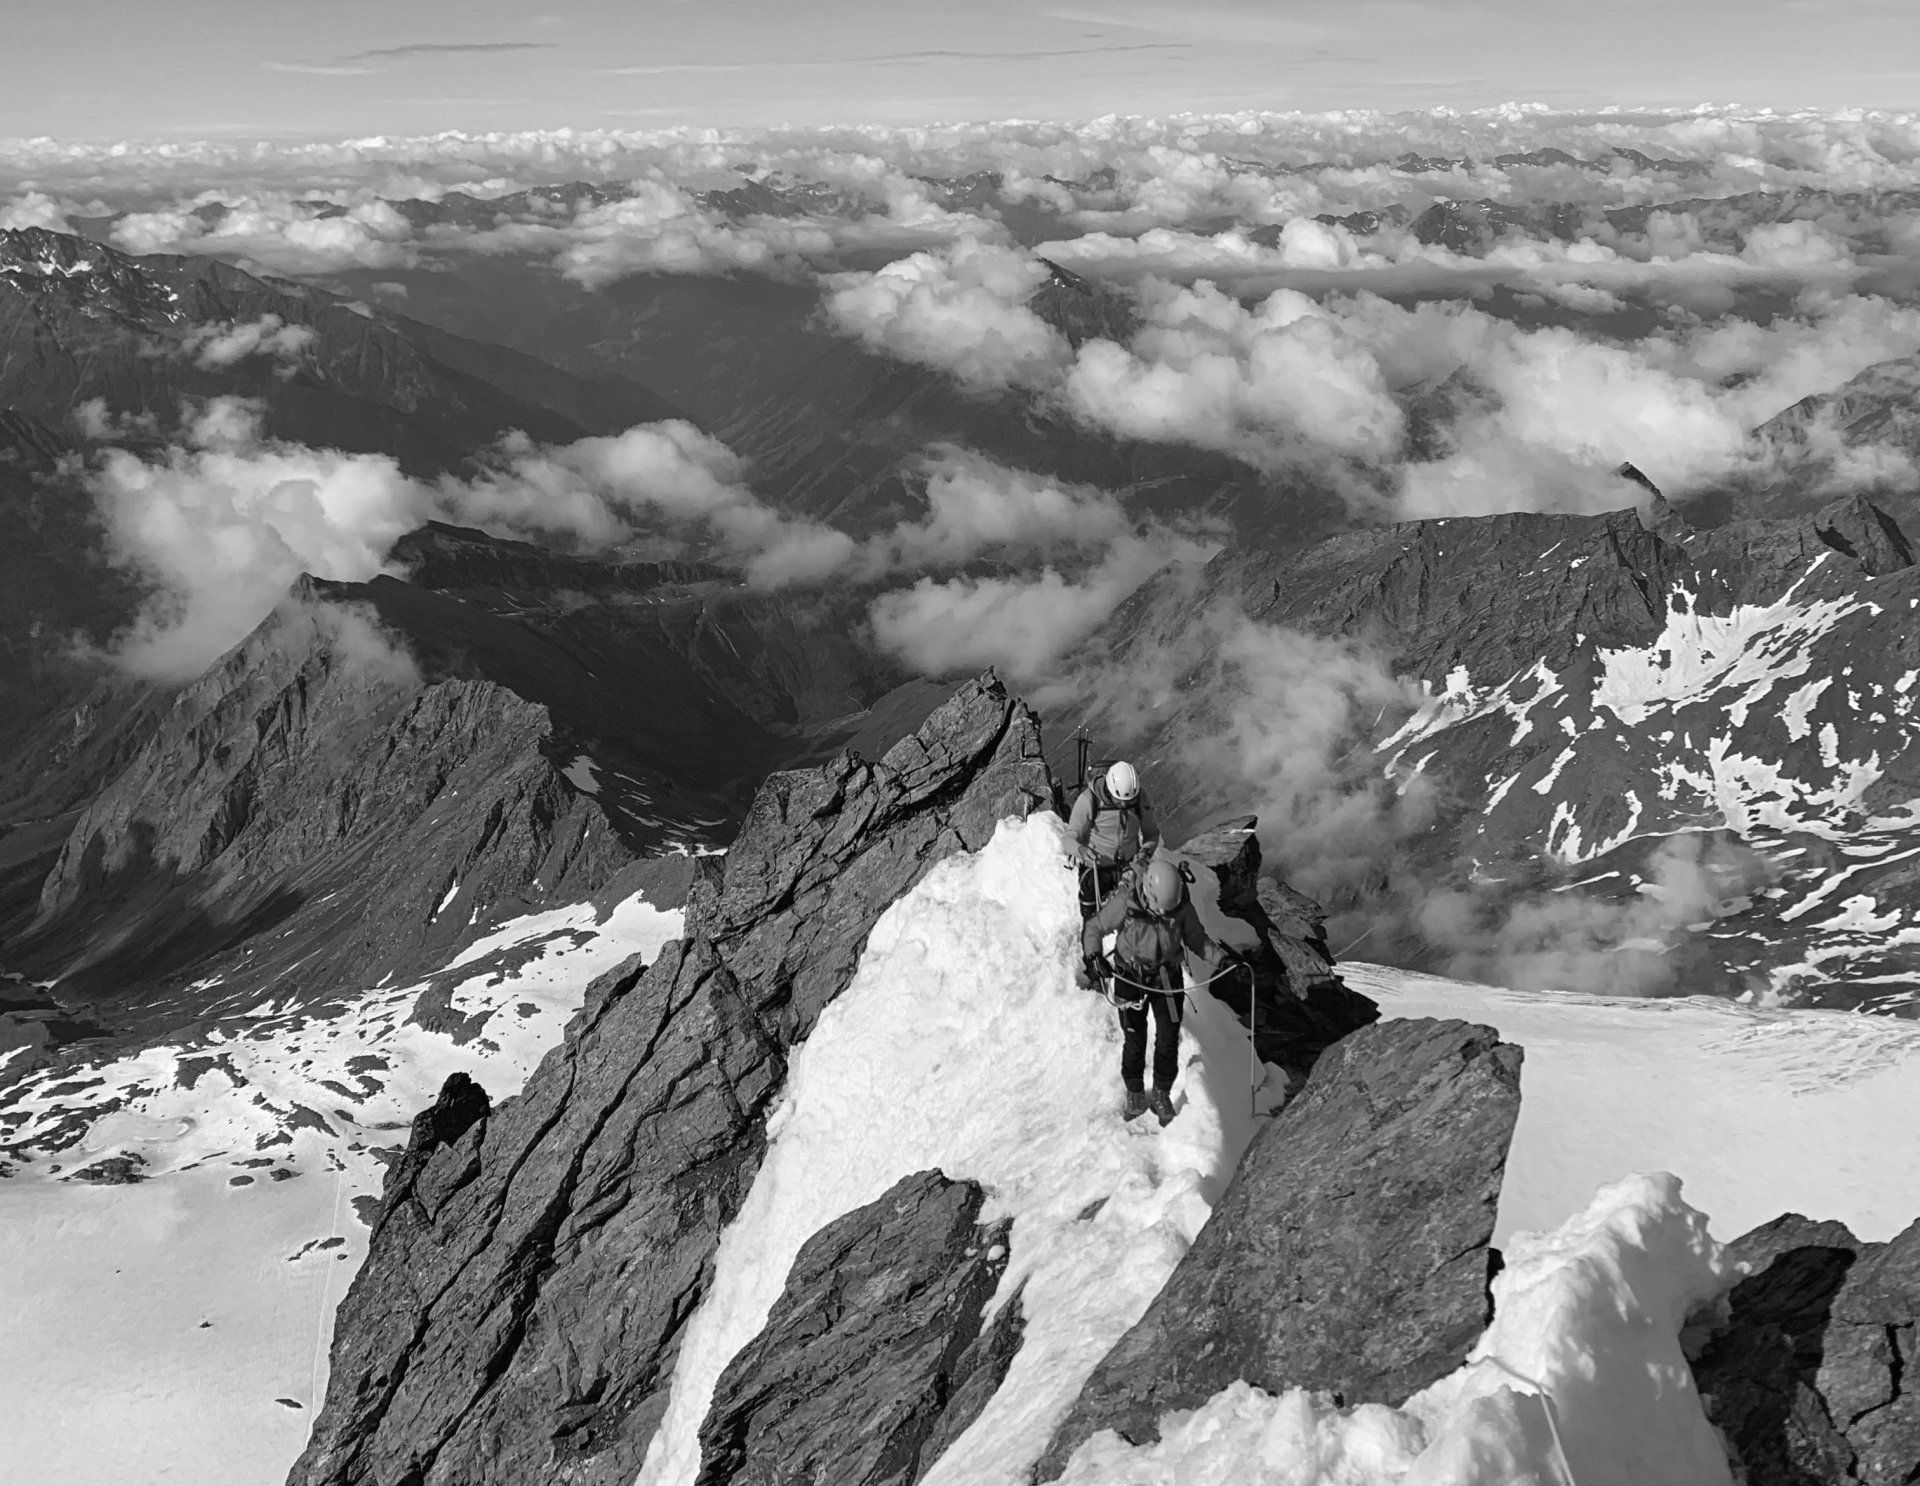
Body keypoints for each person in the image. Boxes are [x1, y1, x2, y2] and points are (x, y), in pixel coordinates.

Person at [1076, 856, 1226, 1126]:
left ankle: (1161, 1092)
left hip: (1166, 978)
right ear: (1148, 893)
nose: (1165, 915)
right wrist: (1094, 957)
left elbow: (1197, 939)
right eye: (1161, 909)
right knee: (1135, 1039)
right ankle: (1135, 1090)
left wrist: (1222, 961)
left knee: (1168, 1039)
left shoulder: (1178, 906)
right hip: (1129, 977)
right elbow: (1095, 927)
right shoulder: (1126, 902)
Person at [1067, 760, 1160, 917]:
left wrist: (1146, 851)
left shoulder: (1140, 800)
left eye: (1129, 801)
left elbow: (1151, 833)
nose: (1124, 805)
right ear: (1109, 791)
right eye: (1119, 801)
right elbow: (1069, 837)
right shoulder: (1089, 800)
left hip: (1131, 864)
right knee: (1090, 910)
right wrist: (1081, 850)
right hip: (1097, 867)